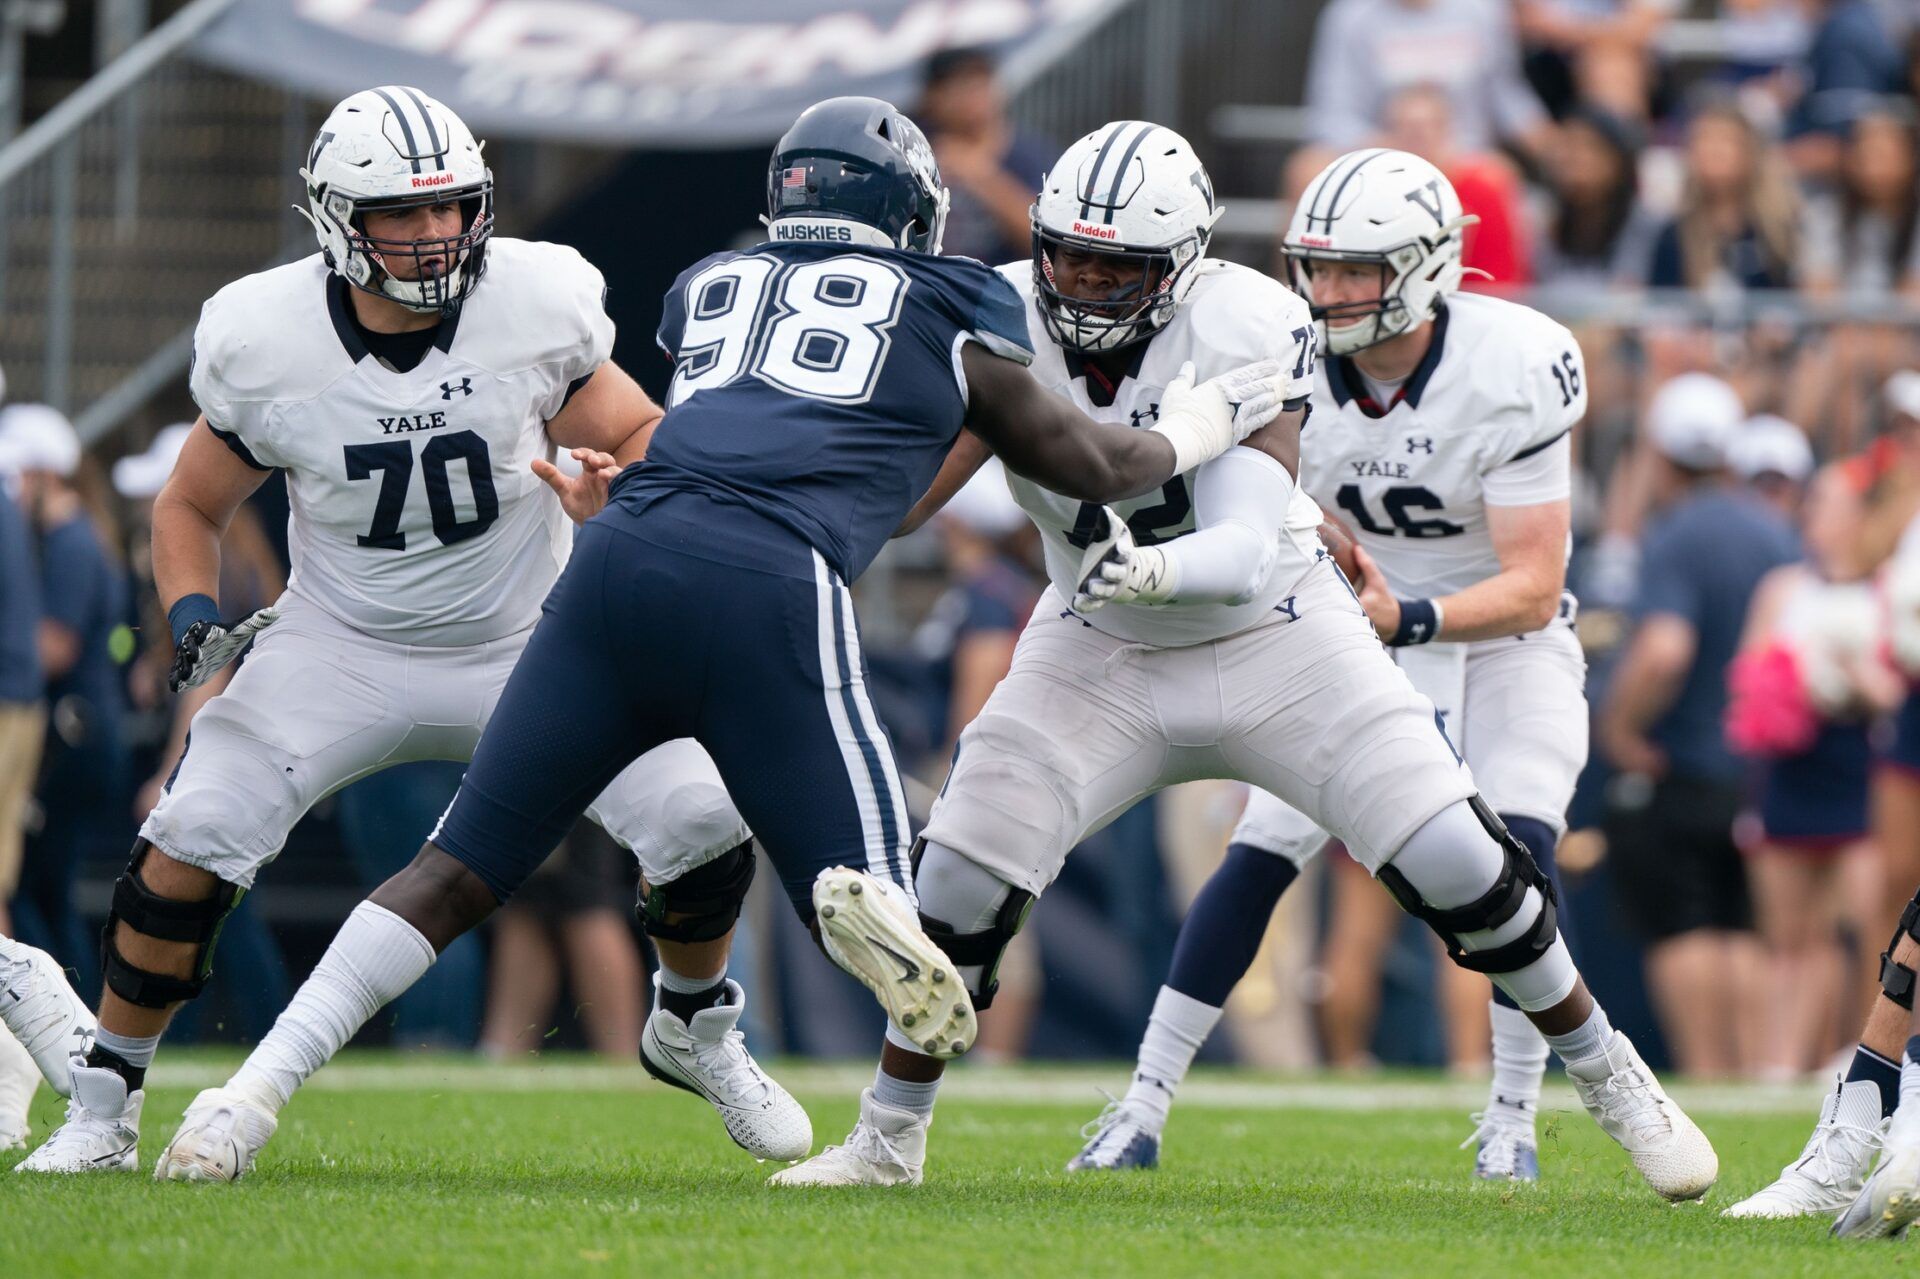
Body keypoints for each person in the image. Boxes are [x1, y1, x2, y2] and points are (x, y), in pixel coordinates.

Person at [146, 95, 1292, 1182]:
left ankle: (242, 1101)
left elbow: (826, 445)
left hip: (617, 562)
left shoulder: (713, 282)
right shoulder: (954, 299)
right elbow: (1087, 463)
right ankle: (848, 913)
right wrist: (1212, 416)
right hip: (769, 577)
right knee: (879, 881)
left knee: (459, 868)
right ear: (913, 213)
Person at [773, 139, 1716, 1203]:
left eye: (1114, 268)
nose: (1082, 287)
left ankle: (1608, 1071)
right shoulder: (997, 312)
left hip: (1276, 627)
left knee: (1463, 861)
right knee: (956, 885)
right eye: (1066, 260)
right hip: (1099, 638)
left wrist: (1143, 562)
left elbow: (1230, 555)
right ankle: (890, 1136)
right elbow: (897, 490)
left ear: (1179, 264)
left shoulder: (1253, 323)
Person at [7, 86, 780, 1177]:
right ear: (333, 219)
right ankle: (104, 1107)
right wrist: (190, 614)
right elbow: (186, 505)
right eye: (399, 217)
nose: (432, 238)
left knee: (702, 814)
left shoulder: (534, 298)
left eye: (450, 209)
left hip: (533, 640)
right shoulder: (264, 335)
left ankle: (696, 1024)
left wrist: (620, 486)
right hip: (342, 643)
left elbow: (645, 433)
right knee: (187, 841)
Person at [1058, 142, 1590, 1182]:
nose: (1333, 293)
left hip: (1500, 634)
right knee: (1268, 840)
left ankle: (1514, 1118)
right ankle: (1141, 1103)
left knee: (1519, 838)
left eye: (1361, 272)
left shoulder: (1516, 362)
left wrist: (1411, 616)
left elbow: (1532, 581)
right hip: (1357, 626)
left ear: (1432, 266)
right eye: (1322, 268)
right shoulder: (1280, 352)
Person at [1599, 373, 1801, 1078]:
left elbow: (1663, 650)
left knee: (1685, 922)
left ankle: (1710, 1076)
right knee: (1742, 925)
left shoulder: (1677, 533)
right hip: (1760, 768)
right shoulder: (1774, 531)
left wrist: (1621, 730)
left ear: (1661, 453)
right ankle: (1751, 1077)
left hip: (1682, 764)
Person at [1725, 463, 1895, 1084]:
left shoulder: (1887, 589)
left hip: (1862, 769)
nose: (1815, 515)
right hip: (1792, 766)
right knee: (1791, 933)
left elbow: (1896, 684)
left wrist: (1855, 679)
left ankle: (1865, 1054)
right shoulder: (1782, 587)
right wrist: (1787, 682)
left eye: (1831, 503)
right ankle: (1780, 1061)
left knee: (1870, 922)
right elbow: (1750, 672)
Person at [915, 46, 1053, 268]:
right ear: (933, 97)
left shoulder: (1030, 155)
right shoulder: (914, 149)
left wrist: (981, 176)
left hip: (1003, 285)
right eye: (959, 87)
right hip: (930, 283)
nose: (973, 98)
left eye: (980, 85)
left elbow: (1046, 243)